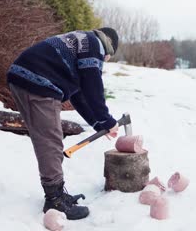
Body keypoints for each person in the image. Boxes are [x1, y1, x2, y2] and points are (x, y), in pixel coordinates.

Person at [6, 27, 120, 220]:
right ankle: (54, 199)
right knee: (50, 140)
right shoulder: (94, 44)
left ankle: (57, 193)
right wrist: (107, 120)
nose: (104, 61)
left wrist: (98, 123)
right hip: (38, 82)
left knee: (48, 138)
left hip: (26, 77)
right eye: (107, 57)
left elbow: (79, 95)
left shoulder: (82, 41)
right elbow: (93, 87)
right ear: (108, 45)